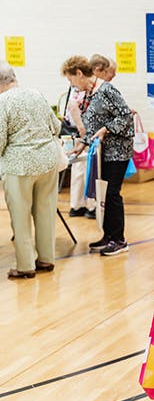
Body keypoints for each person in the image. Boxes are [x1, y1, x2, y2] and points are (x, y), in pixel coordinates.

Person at [63, 55, 134, 256]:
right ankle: (108, 235)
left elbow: (126, 116)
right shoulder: (89, 93)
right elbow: (93, 125)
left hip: (117, 151)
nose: (71, 85)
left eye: (71, 79)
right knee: (103, 194)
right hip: (102, 151)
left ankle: (119, 240)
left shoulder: (106, 90)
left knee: (111, 193)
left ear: (79, 73)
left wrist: (106, 129)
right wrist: (82, 144)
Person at [0, 61, 61, 279]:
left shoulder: (2, 102)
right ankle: (46, 259)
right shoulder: (36, 94)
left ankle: (25, 266)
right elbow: (57, 127)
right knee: (46, 212)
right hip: (48, 162)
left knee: (20, 216)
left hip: (19, 166)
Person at [63, 80, 96, 219]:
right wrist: (82, 129)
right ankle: (92, 206)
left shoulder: (74, 88)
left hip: (75, 132)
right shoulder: (85, 87)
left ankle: (76, 205)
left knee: (78, 169)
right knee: (90, 169)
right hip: (85, 132)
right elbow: (73, 107)